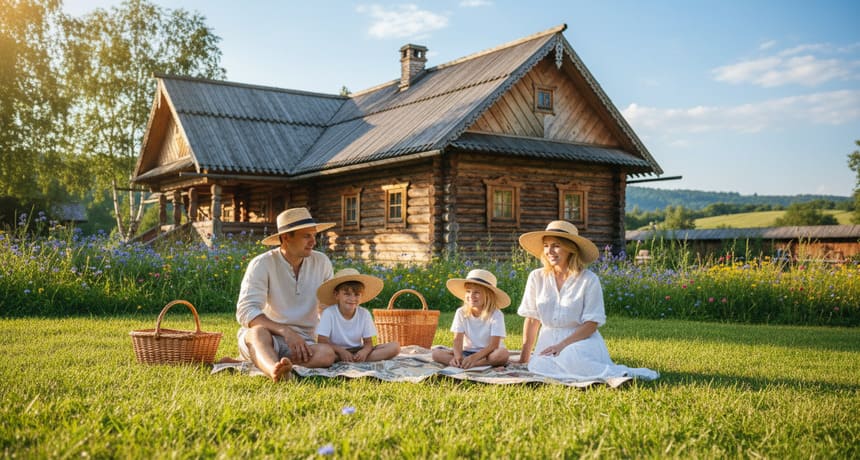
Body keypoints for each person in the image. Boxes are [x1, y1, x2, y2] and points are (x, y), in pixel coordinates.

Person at [516, 220, 659, 381]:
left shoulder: (589, 280)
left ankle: (620, 373)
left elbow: (591, 324)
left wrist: (562, 346)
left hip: (581, 341)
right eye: (546, 245)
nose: (550, 251)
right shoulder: (537, 277)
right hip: (547, 342)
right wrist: (524, 358)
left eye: (556, 245)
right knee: (539, 366)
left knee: (570, 356)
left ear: (570, 248)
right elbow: (532, 319)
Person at [234, 207, 337, 381]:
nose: (313, 241)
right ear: (286, 237)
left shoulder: (322, 262)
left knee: (327, 354)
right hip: (268, 337)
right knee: (257, 333)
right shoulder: (262, 264)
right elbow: (246, 311)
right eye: (306, 236)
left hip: (303, 342)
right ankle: (274, 370)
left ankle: (277, 365)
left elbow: (327, 307)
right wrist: (286, 331)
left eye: (314, 235)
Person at [315, 268, 401, 362]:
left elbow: (369, 342)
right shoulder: (329, 313)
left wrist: (364, 351)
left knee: (395, 347)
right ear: (337, 295)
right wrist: (341, 351)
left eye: (356, 294)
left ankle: (353, 359)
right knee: (324, 353)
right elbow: (322, 341)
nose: (352, 299)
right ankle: (345, 359)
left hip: (357, 350)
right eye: (347, 294)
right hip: (335, 351)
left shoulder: (364, 314)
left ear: (361, 296)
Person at [432, 268, 511, 369]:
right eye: (468, 291)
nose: (471, 296)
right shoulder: (461, 312)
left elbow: (493, 345)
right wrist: (458, 356)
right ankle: (462, 363)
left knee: (503, 354)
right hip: (467, 352)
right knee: (436, 353)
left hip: (488, 353)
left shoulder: (496, 314)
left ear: (488, 296)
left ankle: (475, 364)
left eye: (476, 292)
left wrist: (474, 359)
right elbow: (457, 340)